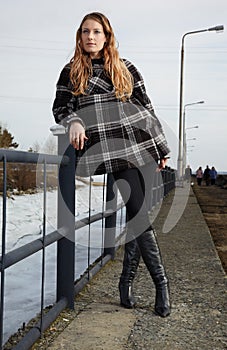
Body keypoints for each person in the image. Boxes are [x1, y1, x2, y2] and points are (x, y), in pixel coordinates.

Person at [52, 12, 170, 317]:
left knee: (136, 216)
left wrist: (161, 148)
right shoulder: (71, 72)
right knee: (138, 215)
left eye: (97, 32)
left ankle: (129, 283)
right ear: (80, 37)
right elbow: (61, 107)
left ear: (107, 36)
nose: (90, 37)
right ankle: (161, 284)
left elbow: (147, 107)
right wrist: (74, 121)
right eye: (85, 32)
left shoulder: (125, 68)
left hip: (138, 146)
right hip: (107, 151)